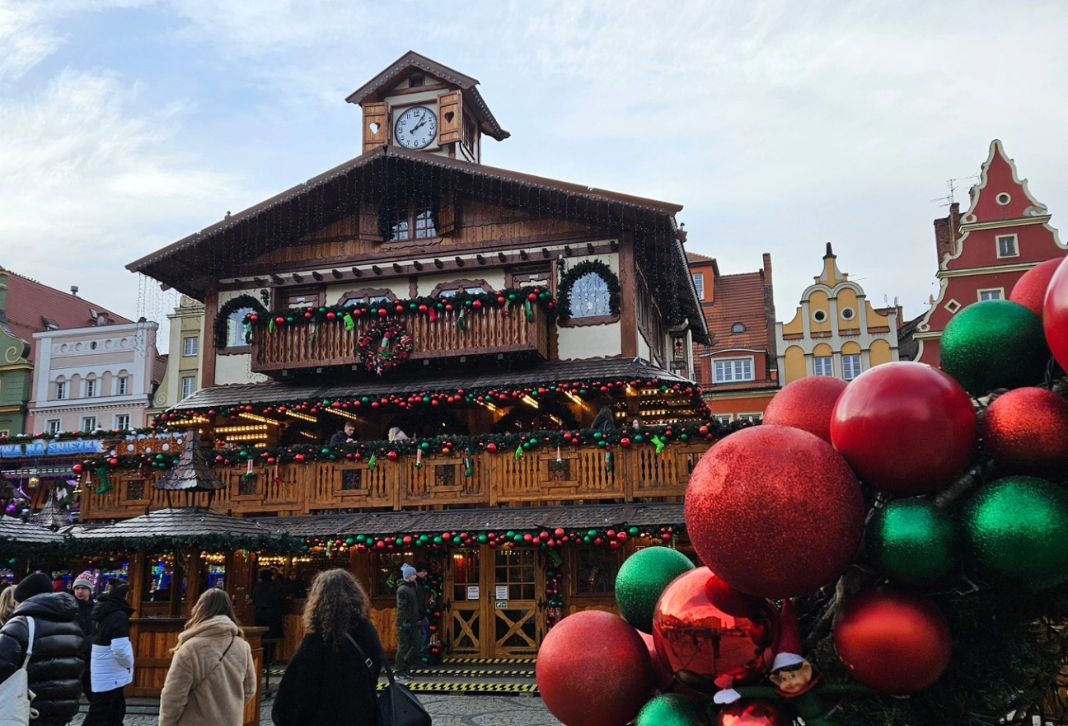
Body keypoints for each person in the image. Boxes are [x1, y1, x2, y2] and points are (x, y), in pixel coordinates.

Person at [271, 569, 384, 726]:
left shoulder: (319, 639)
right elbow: (376, 665)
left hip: (324, 717)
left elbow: (296, 690)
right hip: (364, 714)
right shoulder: (367, 629)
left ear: (319, 599)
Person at [159, 588, 256, 726]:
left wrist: (166, 723)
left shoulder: (190, 648)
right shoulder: (242, 646)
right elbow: (249, 689)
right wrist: (230, 705)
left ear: (200, 609)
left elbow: (174, 696)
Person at [0, 572, 85, 725]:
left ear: (23, 599)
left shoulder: (21, 624)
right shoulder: (73, 626)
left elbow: (2, 664)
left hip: (26, 710)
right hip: (62, 712)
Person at [84, 581, 134, 726]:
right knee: (102, 710)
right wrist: (129, 664)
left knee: (112, 709)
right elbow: (120, 648)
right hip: (112, 669)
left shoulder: (102, 610)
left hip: (101, 664)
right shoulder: (119, 615)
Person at [73, 570, 98, 700]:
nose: (80, 591)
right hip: (74, 654)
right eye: (77, 588)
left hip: (91, 656)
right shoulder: (70, 608)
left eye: (83, 588)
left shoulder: (96, 609)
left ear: (90, 590)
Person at [394, 563, 419, 681]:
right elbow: (401, 608)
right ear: (408, 576)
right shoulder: (403, 589)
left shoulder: (411, 587)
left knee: (416, 644)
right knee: (404, 646)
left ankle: (405, 666)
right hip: (405, 623)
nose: (415, 576)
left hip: (413, 622)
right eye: (413, 574)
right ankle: (399, 670)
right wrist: (403, 622)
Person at [252, 568, 284, 639]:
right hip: (273, 614)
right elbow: (281, 599)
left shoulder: (258, 587)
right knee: (272, 638)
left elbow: (254, 599)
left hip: (260, 614)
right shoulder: (276, 586)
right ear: (271, 576)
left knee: (260, 636)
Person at [413, 563, 430, 655]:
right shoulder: (416, 585)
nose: (425, 573)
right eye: (423, 571)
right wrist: (418, 617)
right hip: (418, 616)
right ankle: (416, 656)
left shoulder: (421, 583)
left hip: (421, 615)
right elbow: (417, 602)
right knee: (423, 635)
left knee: (425, 634)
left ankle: (418, 656)